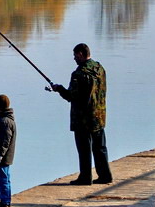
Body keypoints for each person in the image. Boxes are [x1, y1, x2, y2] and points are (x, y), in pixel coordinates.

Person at [48, 43, 113, 185]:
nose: (74, 59)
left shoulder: (79, 74)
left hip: (83, 118)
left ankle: (85, 177)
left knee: (84, 149)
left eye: (75, 56)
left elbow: (72, 96)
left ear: (81, 54)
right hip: (99, 116)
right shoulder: (99, 68)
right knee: (100, 147)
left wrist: (59, 89)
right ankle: (105, 175)